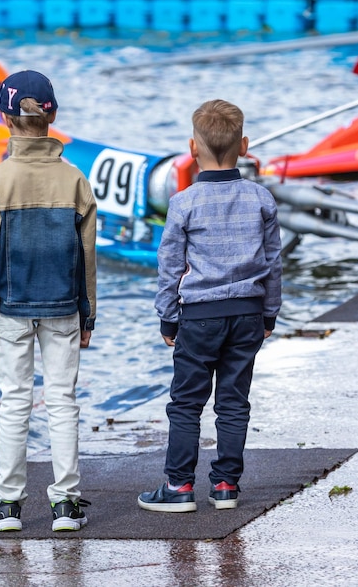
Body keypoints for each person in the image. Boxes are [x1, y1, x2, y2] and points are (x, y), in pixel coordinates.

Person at [138, 99, 282, 513]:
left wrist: (168, 315)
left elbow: (169, 265)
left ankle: (179, 486)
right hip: (248, 314)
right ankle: (225, 485)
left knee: (186, 402)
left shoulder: (183, 202)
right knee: (234, 401)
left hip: (199, 317)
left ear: (192, 148)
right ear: (245, 146)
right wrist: (269, 312)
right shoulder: (261, 198)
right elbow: (273, 263)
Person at [0, 70, 97, 532]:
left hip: (10, 309)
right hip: (64, 307)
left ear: (6, 119)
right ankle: (65, 504)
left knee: (13, 402)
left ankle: (7, 506)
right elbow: (87, 260)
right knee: (63, 401)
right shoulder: (75, 181)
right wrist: (88, 314)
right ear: (53, 117)